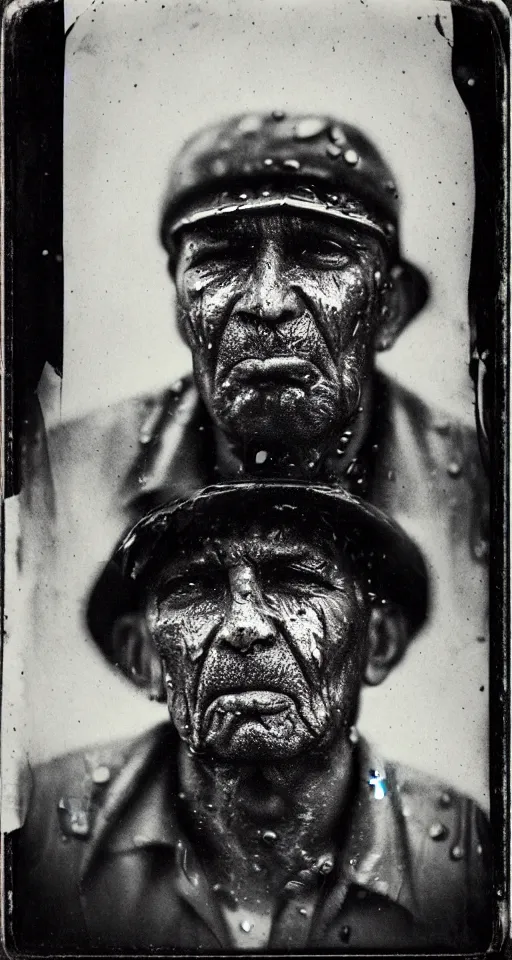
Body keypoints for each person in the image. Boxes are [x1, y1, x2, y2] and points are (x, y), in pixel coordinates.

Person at [9, 482, 491, 953]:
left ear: (378, 643)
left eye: (297, 581)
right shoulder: (34, 835)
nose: (245, 625)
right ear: (143, 658)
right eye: (195, 587)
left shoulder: (472, 860)